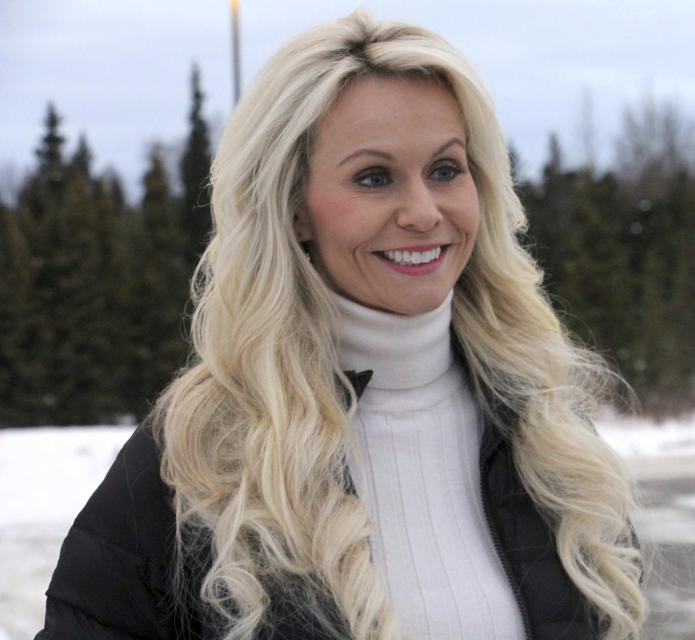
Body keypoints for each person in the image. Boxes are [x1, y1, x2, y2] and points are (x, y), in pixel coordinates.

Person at [36, 11, 646, 640]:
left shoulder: (550, 440)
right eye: (374, 177)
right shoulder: (193, 463)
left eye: (445, 169)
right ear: (294, 210)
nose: (423, 212)